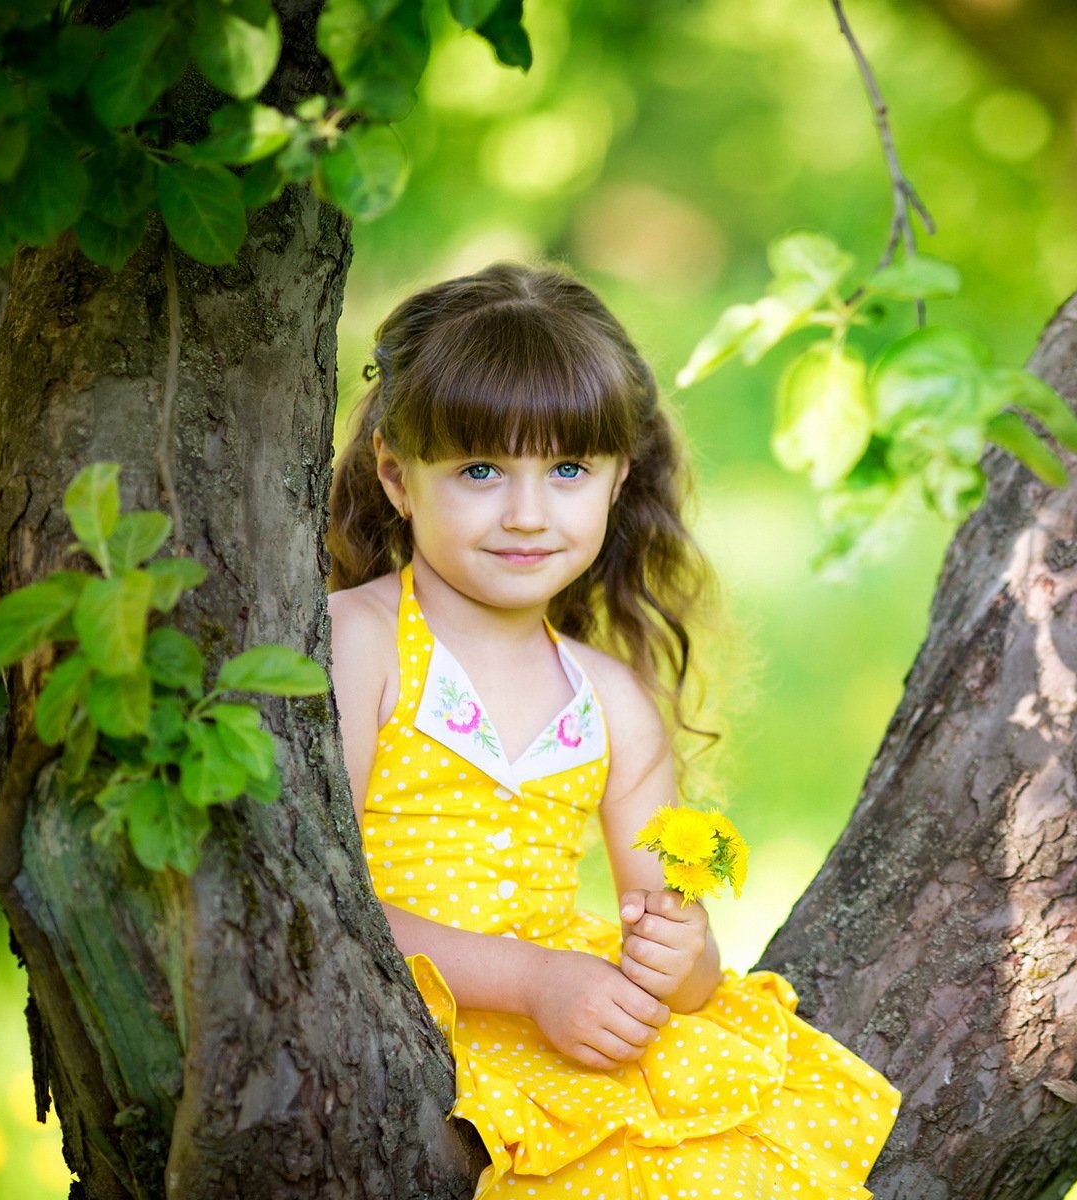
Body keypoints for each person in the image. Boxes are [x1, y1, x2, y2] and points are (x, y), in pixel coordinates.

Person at [324, 260, 900, 1197]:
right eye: (478, 470)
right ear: (397, 475)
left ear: (617, 477)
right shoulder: (358, 643)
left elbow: (677, 947)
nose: (525, 513)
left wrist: (681, 957)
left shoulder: (609, 701)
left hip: (571, 1014)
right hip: (425, 1018)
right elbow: (321, 910)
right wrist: (534, 983)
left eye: (566, 470)